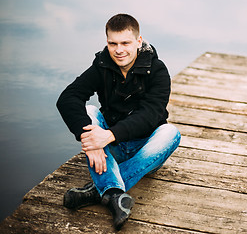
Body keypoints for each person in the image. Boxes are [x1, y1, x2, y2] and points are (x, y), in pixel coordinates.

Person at [56, 14, 181, 230]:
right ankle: (114, 194)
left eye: (125, 43)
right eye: (113, 43)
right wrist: (88, 138)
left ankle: (100, 189)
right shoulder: (102, 65)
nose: (119, 50)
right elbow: (68, 97)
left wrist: (107, 136)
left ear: (138, 41)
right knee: (88, 110)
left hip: (145, 149)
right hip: (110, 147)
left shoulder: (157, 70)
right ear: (107, 42)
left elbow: (151, 114)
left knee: (171, 133)